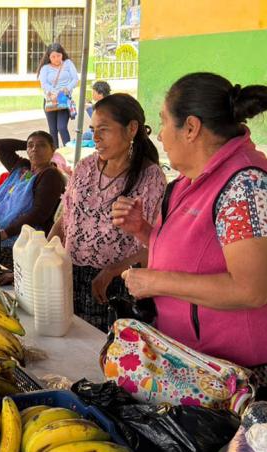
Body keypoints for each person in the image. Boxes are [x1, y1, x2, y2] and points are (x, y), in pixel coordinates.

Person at [114, 73, 267, 402]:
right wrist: (144, 231)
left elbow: (250, 290)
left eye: (162, 122)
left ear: (190, 127)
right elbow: (201, 249)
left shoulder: (246, 187)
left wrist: (155, 282)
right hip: (193, 359)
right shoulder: (191, 182)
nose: (159, 135)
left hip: (239, 374)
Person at [49, 94, 166, 331]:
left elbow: (155, 245)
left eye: (104, 129)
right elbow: (66, 219)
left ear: (132, 128)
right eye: (93, 130)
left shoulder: (151, 178)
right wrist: (46, 254)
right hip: (68, 278)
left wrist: (112, 271)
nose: (96, 138)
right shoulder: (84, 167)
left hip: (115, 288)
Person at [0, 132, 66, 268]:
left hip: (25, 235)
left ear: (53, 149)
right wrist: (29, 144)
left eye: (41, 146)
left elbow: (39, 214)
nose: (34, 149)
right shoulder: (23, 167)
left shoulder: (50, 175)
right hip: (2, 227)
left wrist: (6, 233)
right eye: (31, 146)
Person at [38, 43, 79, 148]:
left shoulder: (68, 63)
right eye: (53, 57)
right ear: (49, 57)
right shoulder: (45, 68)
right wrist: (52, 93)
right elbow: (44, 84)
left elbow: (75, 79)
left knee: (61, 127)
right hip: (50, 99)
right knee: (53, 129)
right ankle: (54, 154)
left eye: (58, 56)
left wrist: (67, 89)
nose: (56, 59)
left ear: (62, 55)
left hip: (64, 99)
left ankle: (68, 151)